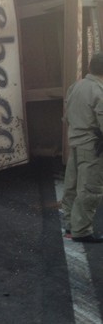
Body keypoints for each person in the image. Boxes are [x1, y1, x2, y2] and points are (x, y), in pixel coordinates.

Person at [61, 52, 103, 243]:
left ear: (89, 68)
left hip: (76, 142)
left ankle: (70, 224)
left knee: (71, 186)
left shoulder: (75, 86)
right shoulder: (98, 91)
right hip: (91, 145)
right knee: (89, 189)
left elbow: (66, 115)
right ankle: (82, 231)